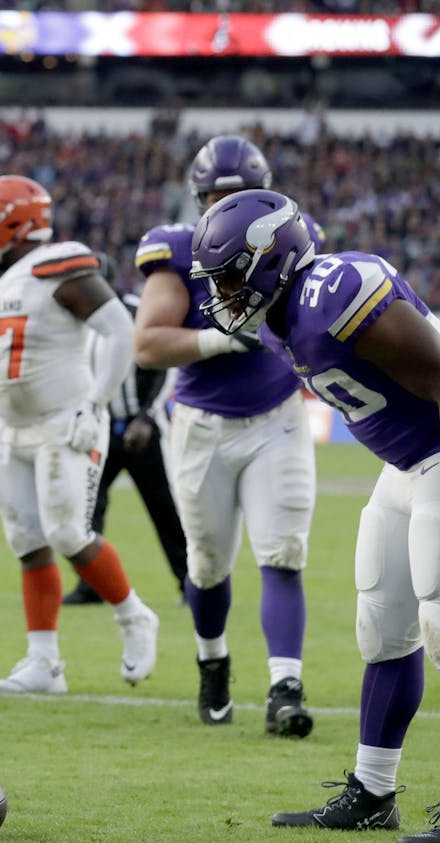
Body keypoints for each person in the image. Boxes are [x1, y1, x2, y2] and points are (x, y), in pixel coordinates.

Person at [191, 188, 440, 843]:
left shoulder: (335, 291)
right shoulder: (279, 317)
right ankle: (372, 792)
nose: (222, 291)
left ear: (271, 259)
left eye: (230, 274)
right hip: (404, 465)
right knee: (382, 625)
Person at [131, 136, 319, 736]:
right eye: (215, 196)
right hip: (203, 426)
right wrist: (218, 339)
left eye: (236, 196)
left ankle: (285, 686)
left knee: (282, 553)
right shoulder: (180, 250)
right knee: (207, 563)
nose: (226, 207)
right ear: (198, 197)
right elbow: (148, 343)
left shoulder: (295, 236)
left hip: (278, 416)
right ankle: (213, 662)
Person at [0, 175, 160, 694]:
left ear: (17, 219)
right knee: (27, 541)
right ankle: (43, 662)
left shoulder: (59, 266)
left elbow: (119, 329)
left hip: (63, 421)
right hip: (12, 428)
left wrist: (95, 403)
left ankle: (135, 618)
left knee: (69, 532)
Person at [63, 288, 188, 607]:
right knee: (87, 504)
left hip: (143, 433)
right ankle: (91, 584)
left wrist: (147, 415)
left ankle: (191, 584)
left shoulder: (137, 313)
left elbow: (166, 364)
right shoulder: (81, 323)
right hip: (101, 427)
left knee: (165, 509)